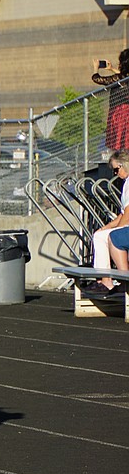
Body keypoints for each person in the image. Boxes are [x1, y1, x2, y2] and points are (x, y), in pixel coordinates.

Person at [80, 151, 129, 295]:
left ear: (124, 165)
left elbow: (128, 213)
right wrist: (105, 228)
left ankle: (116, 280)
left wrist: (117, 230)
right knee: (99, 235)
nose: (115, 173)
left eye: (116, 169)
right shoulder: (126, 183)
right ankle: (105, 279)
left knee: (113, 237)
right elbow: (122, 214)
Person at [93, 48, 129, 151]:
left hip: (119, 112)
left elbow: (97, 79)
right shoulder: (124, 79)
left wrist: (96, 68)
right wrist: (112, 68)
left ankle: (121, 164)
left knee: (118, 143)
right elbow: (123, 78)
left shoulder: (119, 78)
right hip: (126, 112)